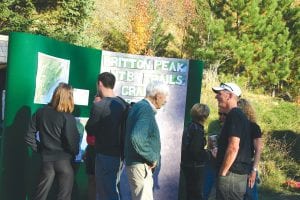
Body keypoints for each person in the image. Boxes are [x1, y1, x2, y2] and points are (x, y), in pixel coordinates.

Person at [25, 82, 80, 200]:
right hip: (64, 162)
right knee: (64, 196)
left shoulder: (41, 112)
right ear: (69, 98)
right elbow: (72, 142)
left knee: (40, 195)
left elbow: (29, 136)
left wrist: (41, 149)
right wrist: (74, 153)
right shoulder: (68, 117)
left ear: (55, 95)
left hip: (47, 161)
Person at [85, 72, 127, 200]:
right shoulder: (123, 104)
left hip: (104, 154)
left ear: (100, 84)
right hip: (119, 155)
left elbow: (90, 129)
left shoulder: (99, 105)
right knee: (112, 188)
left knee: (106, 192)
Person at [124, 80, 169, 200]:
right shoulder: (145, 109)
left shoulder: (139, 107)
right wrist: (152, 157)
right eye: (165, 97)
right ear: (158, 96)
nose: (166, 100)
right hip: (141, 166)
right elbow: (137, 137)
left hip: (137, 165)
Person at [212, 82, 252, 200]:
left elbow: (234, 147)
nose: (216, 97)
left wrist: (223, 172)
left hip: (231, 175)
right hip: (234, 175)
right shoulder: (238, 115)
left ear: (229, 96)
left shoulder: (234, 115)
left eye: (219, 94)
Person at [180, 103, 210, 200]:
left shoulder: (190, 126)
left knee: (189, 193)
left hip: (187, 164)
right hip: (195, 167)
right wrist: (208, 153)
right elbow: (195, 152)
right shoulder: (197, 130)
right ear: (205, 116)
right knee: (196, 194)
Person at [237, 99, 263, 200]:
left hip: (248, 165)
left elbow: (258, 150)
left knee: (249, 195)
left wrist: (254, 170)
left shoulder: (254, 127)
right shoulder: (235, 126)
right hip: (236, 165)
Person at [204, 110, 226, 200]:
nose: (221, 116)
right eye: (220, 113)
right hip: (212, 160)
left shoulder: (232, 125)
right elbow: (212, 141)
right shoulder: (214, 124)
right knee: (207, 187)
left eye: (224, 114)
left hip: (225, 161)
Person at [84, 94, 101, 200]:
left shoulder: (106, 116)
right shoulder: (93, 116)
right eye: (94, 103)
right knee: (91, 179)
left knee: (98, 181)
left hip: (100, 152)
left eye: (98, 103)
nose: (95, 105)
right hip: (91, 150)